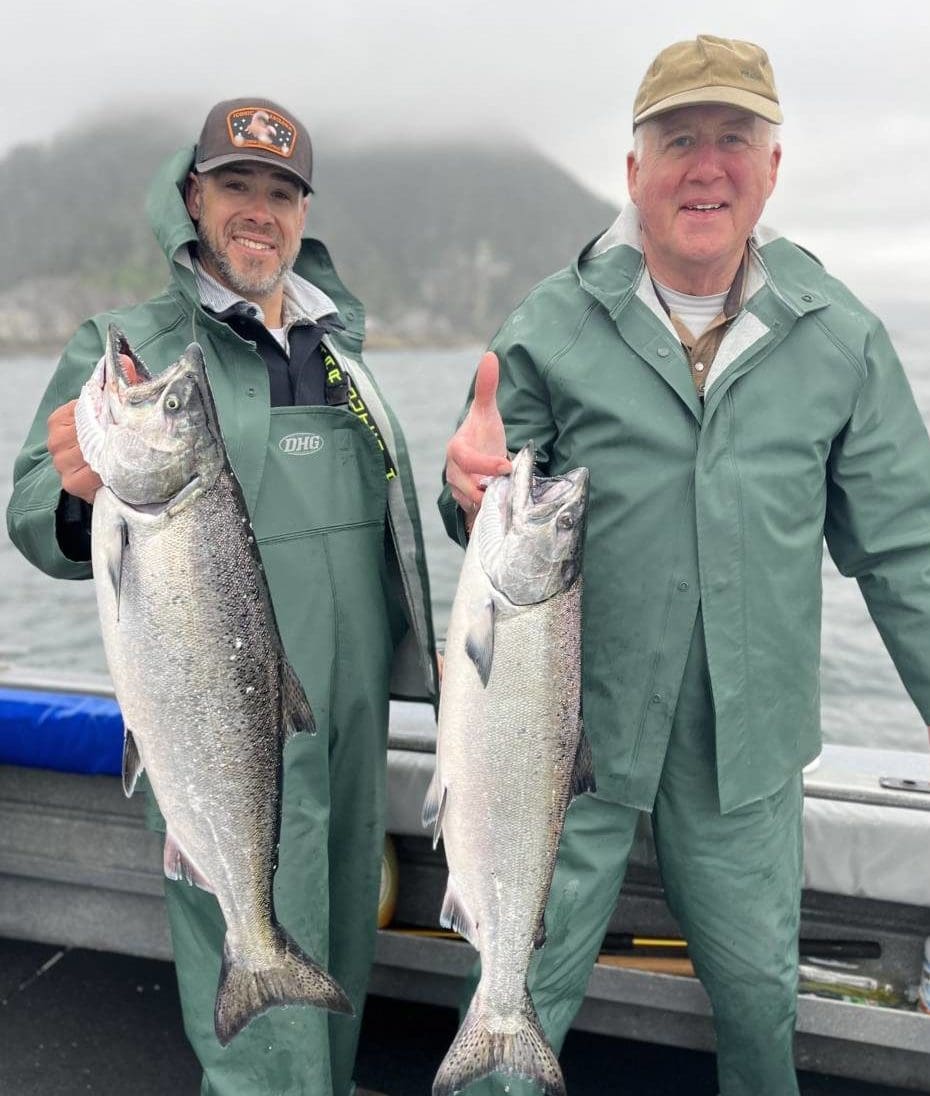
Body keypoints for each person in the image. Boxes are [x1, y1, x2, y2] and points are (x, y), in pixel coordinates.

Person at [440, 35, 930, 1096]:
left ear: (772, 166)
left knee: (759, 1006)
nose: (706, 166)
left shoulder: (839, 337)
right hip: (565, 740)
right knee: (518, 995)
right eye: (678, 140)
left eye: (733, 139)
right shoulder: (551, 325)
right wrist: (464, 490)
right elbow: (484, 502)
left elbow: (909, 555)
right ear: (633, 170)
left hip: (745, 752)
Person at [7, 97, 439, 1096]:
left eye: (281, 192)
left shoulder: (344, 355)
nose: (259, 209)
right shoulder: (131, 345)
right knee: (262, 1045)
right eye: (236, 184)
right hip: (219, 728)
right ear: (193, 196)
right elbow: (36, 515)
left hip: (348, 730)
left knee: (334, 987)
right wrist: (76, 494)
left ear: (303, 212)